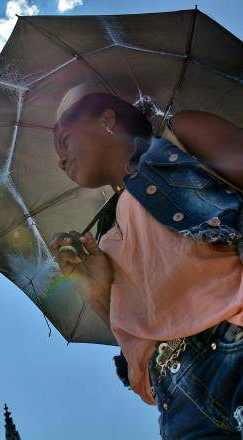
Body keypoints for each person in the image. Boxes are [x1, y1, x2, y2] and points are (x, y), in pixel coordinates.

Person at [50, 84, 243, 439]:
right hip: (180, 401)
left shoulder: (179, 138)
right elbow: (141, 340)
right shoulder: (105, 240)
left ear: (107, 120)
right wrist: (98, 293)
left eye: (64, 141)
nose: (60, 161)